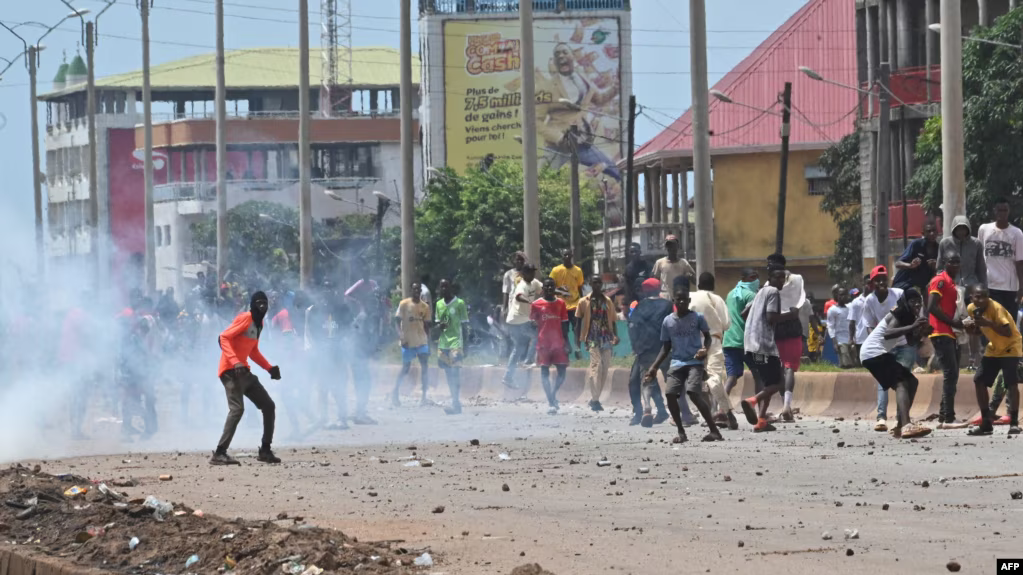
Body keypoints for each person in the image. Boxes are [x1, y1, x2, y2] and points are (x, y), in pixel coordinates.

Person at [644, 285, 724, 443]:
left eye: (684, 300)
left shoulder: (698, 317)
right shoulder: (668, 321)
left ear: (689, 301)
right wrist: (653, 367)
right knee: (670, 394)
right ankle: (681, 432)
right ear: (673, 301)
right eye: (678, 299)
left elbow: (707, 337)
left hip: (694, 362)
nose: (681, 302)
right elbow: (666, 347)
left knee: (693, 393)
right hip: (677, 362)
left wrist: (704, 349)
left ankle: (714, 430)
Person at [211, 291, 282, 465]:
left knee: (268, 405)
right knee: (237, 410)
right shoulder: (245, 318)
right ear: (252, 305)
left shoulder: (259, 325)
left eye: (265, 303)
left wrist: (269, 368)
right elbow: (223, 337)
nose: (262, 306)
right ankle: (219, 453)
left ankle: (265, 450)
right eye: (259, 303)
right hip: (231, 372)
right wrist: (235, 362)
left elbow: (253, 351)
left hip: (244, 373)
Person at [859, 288, 932, 439]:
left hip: (878, 353)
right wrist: (913, 326)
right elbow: (888, 333)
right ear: (905, 302)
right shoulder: (899, 312)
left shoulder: (911, 316)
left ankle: (900, 425)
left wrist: (922, 332)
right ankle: (905, 425)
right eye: (913, 302)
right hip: (873, 352)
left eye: (919, 302)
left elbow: (911, 341)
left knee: (912, 381)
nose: (916, 305)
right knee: (901, 383)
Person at [738, 263, 799, 432]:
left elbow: (744, 314)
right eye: (777, 277)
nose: (780, 280)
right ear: (769, 278)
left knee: (769, 382)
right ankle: (752, 401)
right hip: (763, 344)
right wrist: (791, 315)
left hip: (751, 344)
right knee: (779, 383)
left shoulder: (759, 293)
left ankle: (761, 420)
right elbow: (772, 317)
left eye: (783, 277)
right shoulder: (772, 292)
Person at [964, 284, 1022, 436]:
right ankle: (986, 422)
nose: (981, 300)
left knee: (1011, 383)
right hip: (994, 347)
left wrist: (988, 323)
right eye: (978, 297)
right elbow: (978, 331)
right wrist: (971, 329)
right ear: (972, 298)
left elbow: (1008, 332)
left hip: (1011, 346)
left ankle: (1014, 422)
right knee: (979, 380)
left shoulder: (995, 308)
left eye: (984, 296)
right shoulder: (971, 309)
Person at [859, 266, 909, 431]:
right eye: (877, 280)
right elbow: (868, 326)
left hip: (903, 344)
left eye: (883, 279)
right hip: (883, 347)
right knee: (884, 382)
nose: (881, 282)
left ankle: (900, 418)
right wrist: (877, 344)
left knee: (903, 381)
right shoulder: (870, 301)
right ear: (871, 284)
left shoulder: (899, 294)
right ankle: (881, 417)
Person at [627, 278, 680, 427]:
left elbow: (632, 326)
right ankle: (667, 412)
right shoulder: (669, 305)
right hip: (666, 349)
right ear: (659, 289)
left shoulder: (639, 306)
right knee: (669, 381)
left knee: (643, 380)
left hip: (646, 350)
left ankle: (645, 410)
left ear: (644, 290)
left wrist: (636, 346)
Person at [689, 272, 738, 430]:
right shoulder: (717, 299)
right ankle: (726, 412)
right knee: (714, 378)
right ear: (713, 285)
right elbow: (726, 324)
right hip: (714, 339)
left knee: (701, 380)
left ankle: (710, 415)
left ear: (698, 285)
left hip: (693, 341)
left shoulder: (690, 297)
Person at [927, 250, 965, 428]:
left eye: (958, 262)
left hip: (949, 332)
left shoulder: (952, 283)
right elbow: (931, 307)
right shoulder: (940, 281)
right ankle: (949, 417)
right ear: (945, 263)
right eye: (952, 262)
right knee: (950, 374)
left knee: (953, 373)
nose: (956, 266)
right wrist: (952, 322)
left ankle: (944, 416)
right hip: (940, 331)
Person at [769, 253, 806, 421]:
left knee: (780, 368)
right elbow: (801, 299)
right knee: (789, 367)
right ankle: (787, 406)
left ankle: (785, 405)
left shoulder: (769, 283)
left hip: (776, 326)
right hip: (792, 323)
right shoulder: (797, 279)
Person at [576, 274, 619, 412]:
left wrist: (615, 335)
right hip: (592, 338)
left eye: (599, 283)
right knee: (596, 365)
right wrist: (578, 338)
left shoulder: (607, 301)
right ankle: (595, 400)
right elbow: (578, 321)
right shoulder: (584, 301)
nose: (597, 285)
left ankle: (595, 399)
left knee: (605, 368)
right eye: (594, 283)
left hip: (606, 337)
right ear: (590, 283)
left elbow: (613, 320)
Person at [977, 199, 1023, 321]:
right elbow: (980, 257)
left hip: (1010, 287)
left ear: (1009, 212)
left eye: (1005, 210)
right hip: (989, 285)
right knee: (991, 321)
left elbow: (1019, 263)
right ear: (994, 211)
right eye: (999, 210)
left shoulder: (1017, 233)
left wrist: (1021, 288)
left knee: (1008, 323)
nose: (1002, 213)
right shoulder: (984, 229)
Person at [531, 278, 571, 415]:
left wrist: (568, 343)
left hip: (558, 343)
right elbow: (533, 325)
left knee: (562, 372)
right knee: (544, 372)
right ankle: (550, 402)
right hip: (543, 343)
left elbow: (565, 325)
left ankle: (553, 394)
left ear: (555, 288)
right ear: (543, 288)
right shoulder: (536, 304)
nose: (549, 288)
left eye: (551, 286)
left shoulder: (561, 303)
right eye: (546, 286)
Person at [723, 268, 763, 396]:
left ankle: (720, 408)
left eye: (757, 277)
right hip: (747, 341)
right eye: (752, 277)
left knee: (731, 377)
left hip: (729, 340)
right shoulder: (751, 295)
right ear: (743, 279)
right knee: (759, 374)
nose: (756, 280)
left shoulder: (730, 294)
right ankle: (759, 408)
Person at [393, 281, 433, 407]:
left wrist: (429, 342)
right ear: (411, 290)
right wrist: (400, 334)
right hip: (408, 341)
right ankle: (395, 392)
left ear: (420, 292)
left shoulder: (425, 307)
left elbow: (426, 326)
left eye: (418, 290)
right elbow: (396, 321)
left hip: (421, 341)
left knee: (425, 368)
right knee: (405, 368)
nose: (416, 291)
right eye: (414, 289)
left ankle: (424, 397)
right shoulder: (404, 304)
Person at [502, 263, 543, 387]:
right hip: (517, 320)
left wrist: (560, 291)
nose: (533, 274)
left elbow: (545, 288)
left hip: (518, 320)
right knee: (537, 335)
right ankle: (528, 360)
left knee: (519, 347)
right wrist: (531, 302)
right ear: (524, 274)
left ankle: (508, 377)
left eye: (533, 272)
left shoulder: (534, 282)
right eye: (530, 272)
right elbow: (519, 297)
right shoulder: (522, 285)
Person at [435, 279, 469, 415]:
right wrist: (439, 327)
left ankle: (456, 403)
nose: (444, 289)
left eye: (446, 286)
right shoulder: (438, 304)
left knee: (455, 372)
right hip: (443, 343)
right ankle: (455, 401)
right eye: (441, 286)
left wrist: (466, 345)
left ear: (450, 288)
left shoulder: (460, 303)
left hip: (456, 342)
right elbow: (438, 325)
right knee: (448, 373)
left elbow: (465, 325)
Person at [550, 249, 586, 358]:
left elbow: (579, 288)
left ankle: (577, 349)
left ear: (571, 255)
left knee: (577, 328)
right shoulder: (556, 270)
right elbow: (550, 287)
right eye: (564, 255)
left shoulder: (578, 271)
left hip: (575, 304)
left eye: (568, 255)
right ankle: (567, 346)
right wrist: (561, 291)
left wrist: (582, 302)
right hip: (561, 305)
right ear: (562, 256)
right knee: (563, 329)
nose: (566, 257)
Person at [893, 222, 940, 291]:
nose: (932, 234)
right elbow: (898, 263)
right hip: (904, 285)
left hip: (923, 288)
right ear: (923, 233)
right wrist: (910, 265)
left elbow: (940, 272)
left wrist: (936, 267)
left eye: (934, 231)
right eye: (929, 231)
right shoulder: (916, 245)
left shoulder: (939, 249)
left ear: (937, 233)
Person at [848, 276, 873, 366]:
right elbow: (852, 322)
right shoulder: (856, 302)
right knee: (861, 364)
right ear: (863, 284)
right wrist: (851, 338)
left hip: (873, 336)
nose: (869, 286)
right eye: (868, 283)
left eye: (871, 284)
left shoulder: (876, 299)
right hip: (860, 337)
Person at [826, 289, 852, 368]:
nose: (842, 297)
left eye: (844, 295)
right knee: (846, 363)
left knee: (852, 364)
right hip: (840, 340)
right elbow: (830, 326)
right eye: (840, 295)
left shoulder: (849, 308)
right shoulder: (832, 310)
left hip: (850, 339)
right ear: (837, 296)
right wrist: (834, 342)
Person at [623, 243, 653, 309]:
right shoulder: (628, 269)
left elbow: (652, 283)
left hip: (647, 300)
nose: (634, 254)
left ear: (640, 252)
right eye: (631, 252)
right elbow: (627, 288)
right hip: (633, 302)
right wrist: (628, 302)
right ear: (629, 253)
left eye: (635, 251)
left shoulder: (647, 266)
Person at [501, 252, 527, 322]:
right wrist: (504, 309)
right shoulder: (508, 274)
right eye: (518, 259)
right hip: (513, 304)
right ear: (514, 261)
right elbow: (506, 292)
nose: (520, 261)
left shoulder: (528, 273)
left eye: (522, 259)